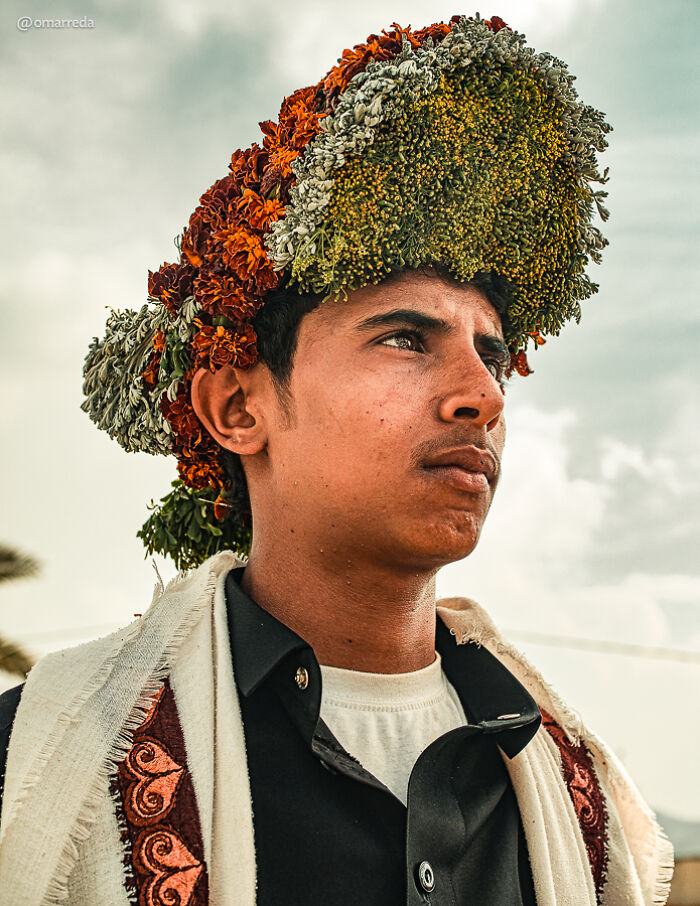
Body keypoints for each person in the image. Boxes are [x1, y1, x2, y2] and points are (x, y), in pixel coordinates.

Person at [0, 14, 673, 905]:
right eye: (405, 338)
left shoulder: (577, 791)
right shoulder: (35, 767)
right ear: (238, 408)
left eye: (494, 355)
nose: (484, 395)